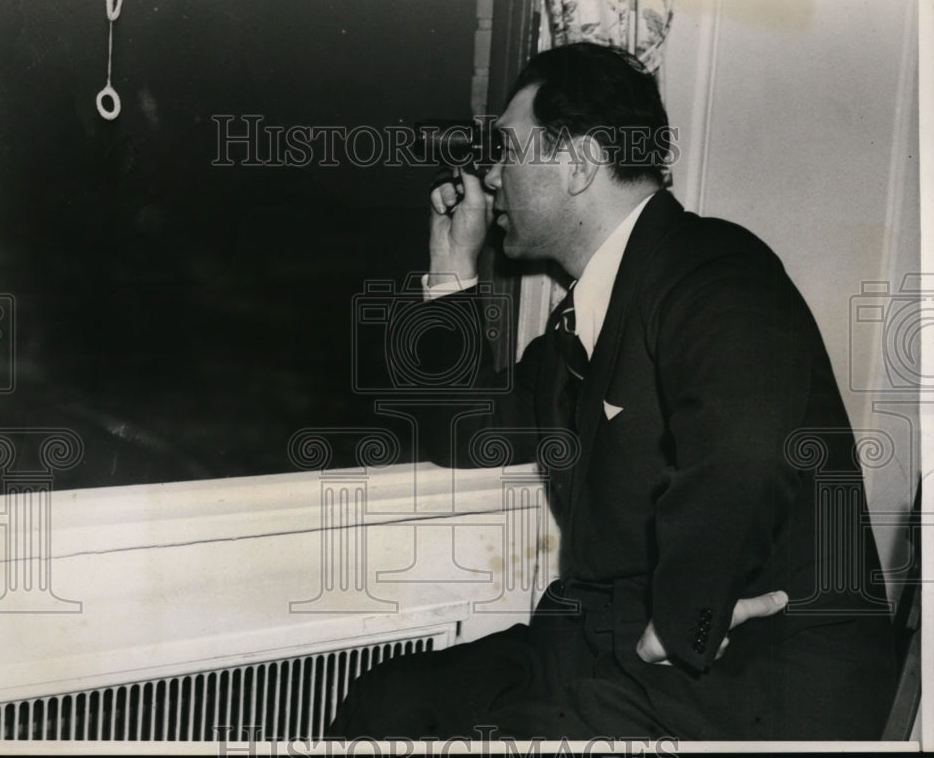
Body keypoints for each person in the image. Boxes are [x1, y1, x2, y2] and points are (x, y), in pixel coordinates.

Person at [327, 42, 896, 741]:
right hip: (605, 644)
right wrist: (450, 272)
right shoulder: (581, 325)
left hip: (752, 672)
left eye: (507, 148)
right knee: (391, 703)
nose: (489, 175)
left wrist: (684, 618)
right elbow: (460, 432)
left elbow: (743, 452)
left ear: (579, 165)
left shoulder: (717, 270)